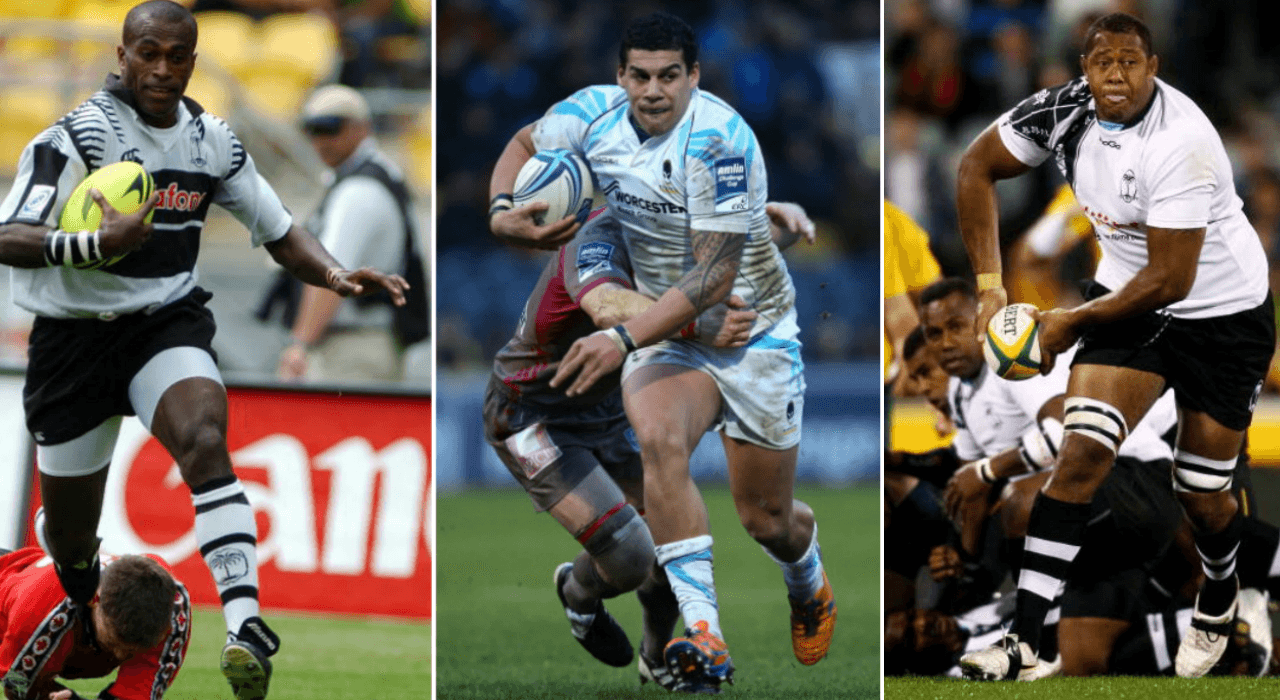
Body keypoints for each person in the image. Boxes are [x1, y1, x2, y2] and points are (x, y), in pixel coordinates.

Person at [0, 3, 409, 699]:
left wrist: (336, 273)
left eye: (178, 55)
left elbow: (280, 231)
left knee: (205, 438)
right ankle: (65, 613)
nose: (162, 68)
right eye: (148, 53)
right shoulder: (74, 139)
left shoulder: (212, 141)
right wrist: (96, 245)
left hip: (162, 320)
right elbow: (10, 234)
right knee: (71, 549)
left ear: (194, 60)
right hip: (71, 342)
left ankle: (246, 626)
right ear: (122, 56)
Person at [489, 12, 835, 692]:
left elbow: (713, 279)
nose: (654, 90)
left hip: (750, 329)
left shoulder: (721, 140)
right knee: (659, 439)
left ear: (694, 77)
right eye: (640, 75)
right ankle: (703, 634)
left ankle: (809, 579)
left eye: (670, 76)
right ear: (620, 77)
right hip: (644, 348)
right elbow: (525, 139)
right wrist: (502, 206)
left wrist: (623, 337)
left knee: (766, 521)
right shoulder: (591, 128)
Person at [954, 12, 1276, 679]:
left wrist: (1069, 322)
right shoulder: (1062, 113)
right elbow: (975, 168)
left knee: (1204, 494)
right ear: (1085, 69)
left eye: (1132, 61)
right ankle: (1028, 640)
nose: (1117, 75)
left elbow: (1171, 279)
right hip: (1127, 299)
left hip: (1222, 314)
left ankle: (1220, 593)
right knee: (1080, 456)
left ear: (1153, 68)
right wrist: (990, 288)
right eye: (1105, 62)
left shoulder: (1182, 141)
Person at [482, 200, 813, 690]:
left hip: (607, 411)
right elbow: (607, 305)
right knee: (630, 554)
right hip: (533, 415)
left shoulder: (674, 228)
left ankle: (657, 656)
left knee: (673, 536)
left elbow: (727, 255)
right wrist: (696, 323)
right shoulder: (595, 240)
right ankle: (577, 594)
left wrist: (772, 232)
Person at [263, 84, 428, 383]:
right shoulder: (372, 175)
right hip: (361, 340)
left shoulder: (358, 190)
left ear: (361, 128)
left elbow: (331, 275)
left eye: (330, 127)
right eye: (311, 129)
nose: (320, 140)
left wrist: (300, 344)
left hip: (352, 345)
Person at [0, 547, 191, 700]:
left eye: (133, 651)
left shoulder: (172, 606)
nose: (119, 655)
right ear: (94, 600)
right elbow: (17, 687)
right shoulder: (40, 613)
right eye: (113, 643)